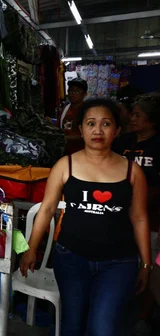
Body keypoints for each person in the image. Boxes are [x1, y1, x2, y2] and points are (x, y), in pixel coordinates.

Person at [20, 98, 152, 336]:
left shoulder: (133, 171)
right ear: (81, 130)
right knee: (72, 324)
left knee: (103, 328)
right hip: (71, 259)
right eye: (91, 123)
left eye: (106, 124)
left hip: (119, 263)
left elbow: (140, 217)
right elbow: (48, 209)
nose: (98, 130)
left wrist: (145, 263)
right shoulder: (65, 165)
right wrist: (31, 249)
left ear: (117, 130)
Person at [112, 93, 160, 335]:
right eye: (133, 114)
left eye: (138, 115)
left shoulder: (158, 146)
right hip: (120, 213)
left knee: (147, 261)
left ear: (152, 121)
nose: (132, 118)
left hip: (151, 217)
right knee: (122, 258)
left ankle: (143, 314)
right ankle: (119, 303)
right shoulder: (123, 142)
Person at [59, 78, 88, 155]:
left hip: (81, 155)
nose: (73, 93)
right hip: (65, 153)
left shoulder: (87, 112)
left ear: (84, 94)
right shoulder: (65, 108)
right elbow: (60, 126)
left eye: (77, 91)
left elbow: (87, 135)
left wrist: (65, 138)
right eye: (71, 90)